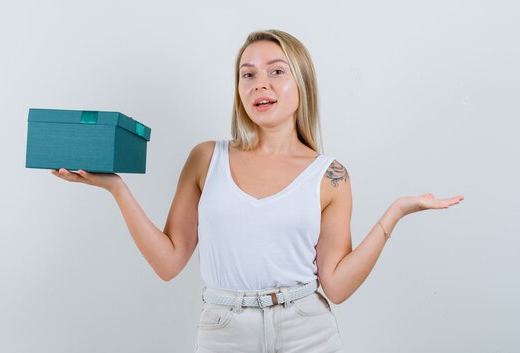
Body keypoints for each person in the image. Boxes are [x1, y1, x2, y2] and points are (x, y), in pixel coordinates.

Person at [51, 29, 464, 353]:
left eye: (275, 71)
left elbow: (336, 286)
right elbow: (168, 262)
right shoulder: (205, 158)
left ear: (301, 83)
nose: (258, 83)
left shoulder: (330, 175)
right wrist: (116, 189)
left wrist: (393, 214)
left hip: (307, 331)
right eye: (247, 74)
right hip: (224, 331)